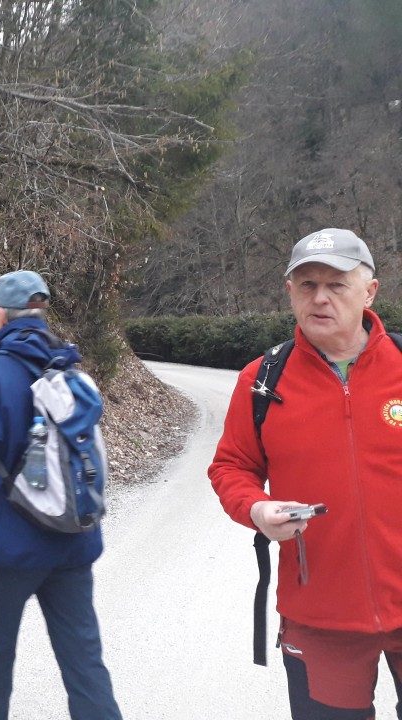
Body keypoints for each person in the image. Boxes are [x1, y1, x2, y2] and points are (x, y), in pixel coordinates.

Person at [209, 227, 402, 718]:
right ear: (289, 290)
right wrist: (255, 508)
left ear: (369, 291)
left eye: (336, 284)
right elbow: (231, 465)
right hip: (320, 619)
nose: (320, 297)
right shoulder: (261, 380)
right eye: (307, 284)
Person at [0, 270, 123, 720]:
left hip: (9, 549)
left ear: (0, 315)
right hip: (73, 540)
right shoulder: (68, 367)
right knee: (83, 662)